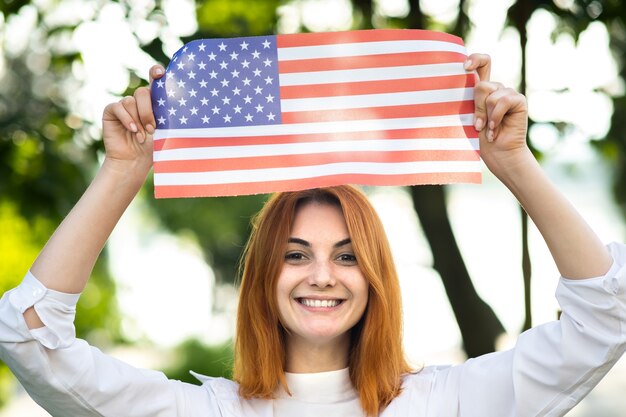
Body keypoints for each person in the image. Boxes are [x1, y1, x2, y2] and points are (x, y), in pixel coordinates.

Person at [0, 53, 624, 417]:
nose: (322, 275)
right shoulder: (207, 411)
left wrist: (514, 164)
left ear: (376, 276)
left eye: (347, 256)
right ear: (263, 275)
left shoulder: (450, 401)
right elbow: (30, 339)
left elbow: (605, 319)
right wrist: (121, 174)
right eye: (296, 255)